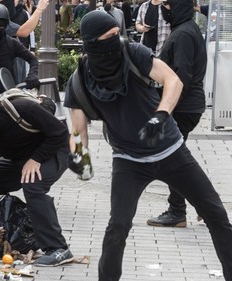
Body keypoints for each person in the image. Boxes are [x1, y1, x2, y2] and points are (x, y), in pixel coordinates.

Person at [64, 10, 232, 281]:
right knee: (117, 227)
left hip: (171, 151)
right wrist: (79, 159)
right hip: (128, 161)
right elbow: (77, 130)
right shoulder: (80, 80)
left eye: (118, 34)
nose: (117, 40)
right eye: (110, 36)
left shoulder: (133, 53)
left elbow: (172, 80)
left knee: (216, 214)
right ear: (92, 43)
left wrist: (162, 114)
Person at [0, 86, 73, 266]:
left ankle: (58, 248)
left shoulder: (24, 108)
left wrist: (36, 159)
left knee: (33, 184)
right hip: (20, 160)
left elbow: (60, 133)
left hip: (53, 152)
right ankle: (5, 235)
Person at [146, 0, 207, 227]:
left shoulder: (183, 34)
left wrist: (166, 107)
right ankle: (201, 206)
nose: (164, 9)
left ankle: (179, 211)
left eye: (167, 5)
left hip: (183, 107)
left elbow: (182, 76)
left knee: (173, 160)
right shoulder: (186, 29)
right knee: (177, 158)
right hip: (186, 106)